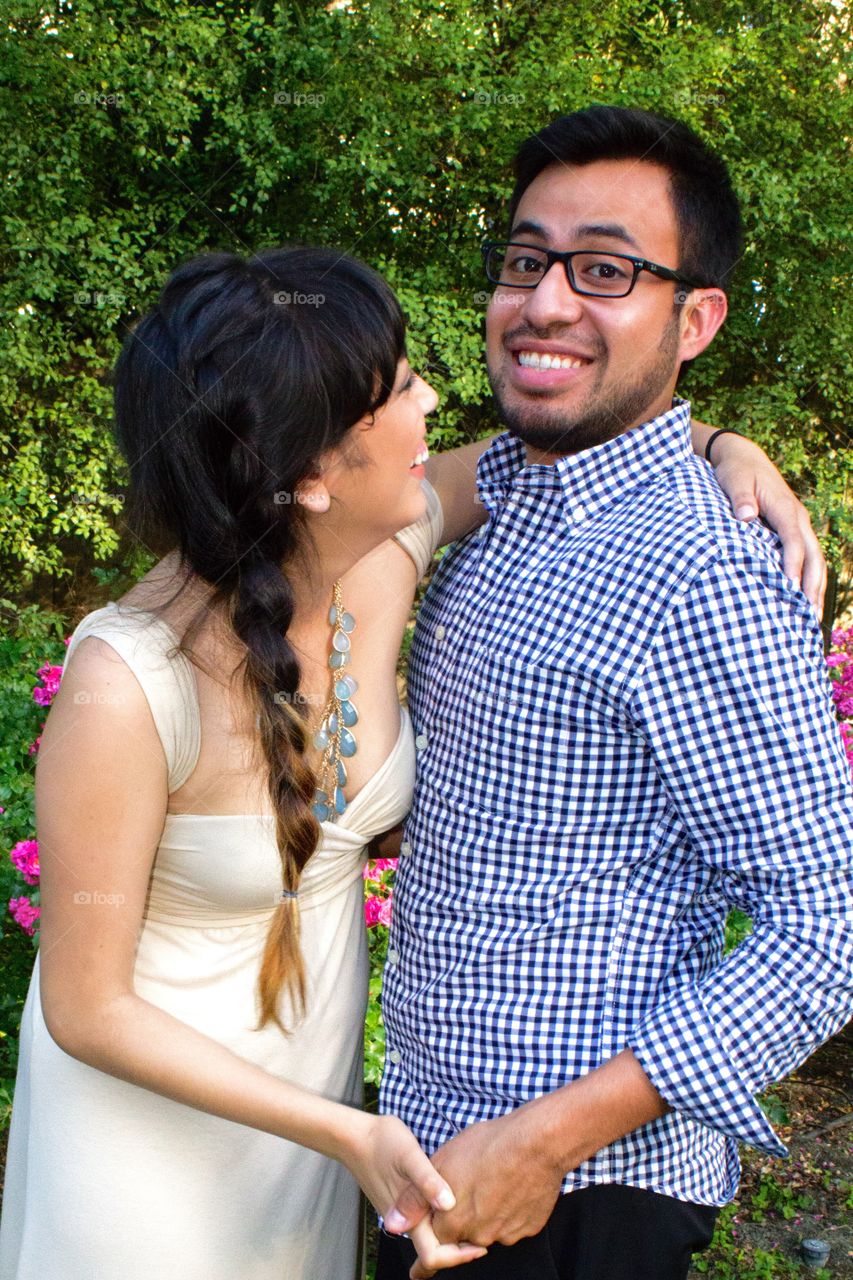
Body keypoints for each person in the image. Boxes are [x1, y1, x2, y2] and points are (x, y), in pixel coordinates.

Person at [0, 244, 823, 1280]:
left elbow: (577, 444)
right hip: (150, 1144)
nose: (432, 394)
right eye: (394, 388)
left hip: (316, 1130)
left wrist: (723, 444)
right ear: (308, 475)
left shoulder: (383, 553)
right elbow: (86, 1006)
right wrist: (344, 1131)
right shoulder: (125, 682)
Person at [376, 106, 853, 1280]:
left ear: (694, 318)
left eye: (604, 269)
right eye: (527, 260)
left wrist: (543, 1142)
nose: (544, 301)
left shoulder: (700, 575)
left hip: (578, 1194)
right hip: (427, 1137)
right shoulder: (509, 496)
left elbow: (827, 926)